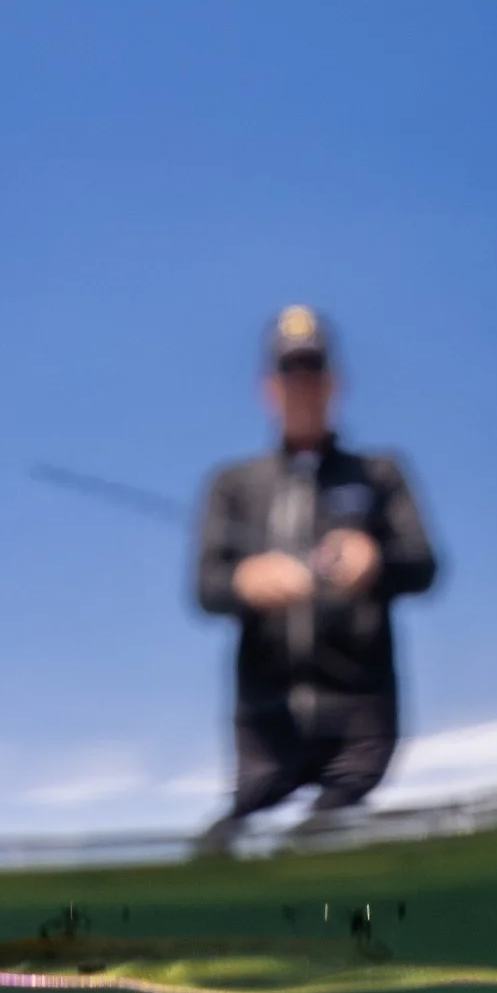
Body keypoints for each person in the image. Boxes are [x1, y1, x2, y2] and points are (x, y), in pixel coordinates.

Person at [192, 306, 439, 850]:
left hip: (360, 719)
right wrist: (246, 581)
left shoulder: (379, 474)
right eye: (289, 372)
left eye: (312, 370)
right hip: (266, 724)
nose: (301, 384)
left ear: (334, 383)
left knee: (320, 844)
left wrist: (374, 558)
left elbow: (424, 566)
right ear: (268, 388)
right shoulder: (233, 484)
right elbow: (205, 588)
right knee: (219, 850)